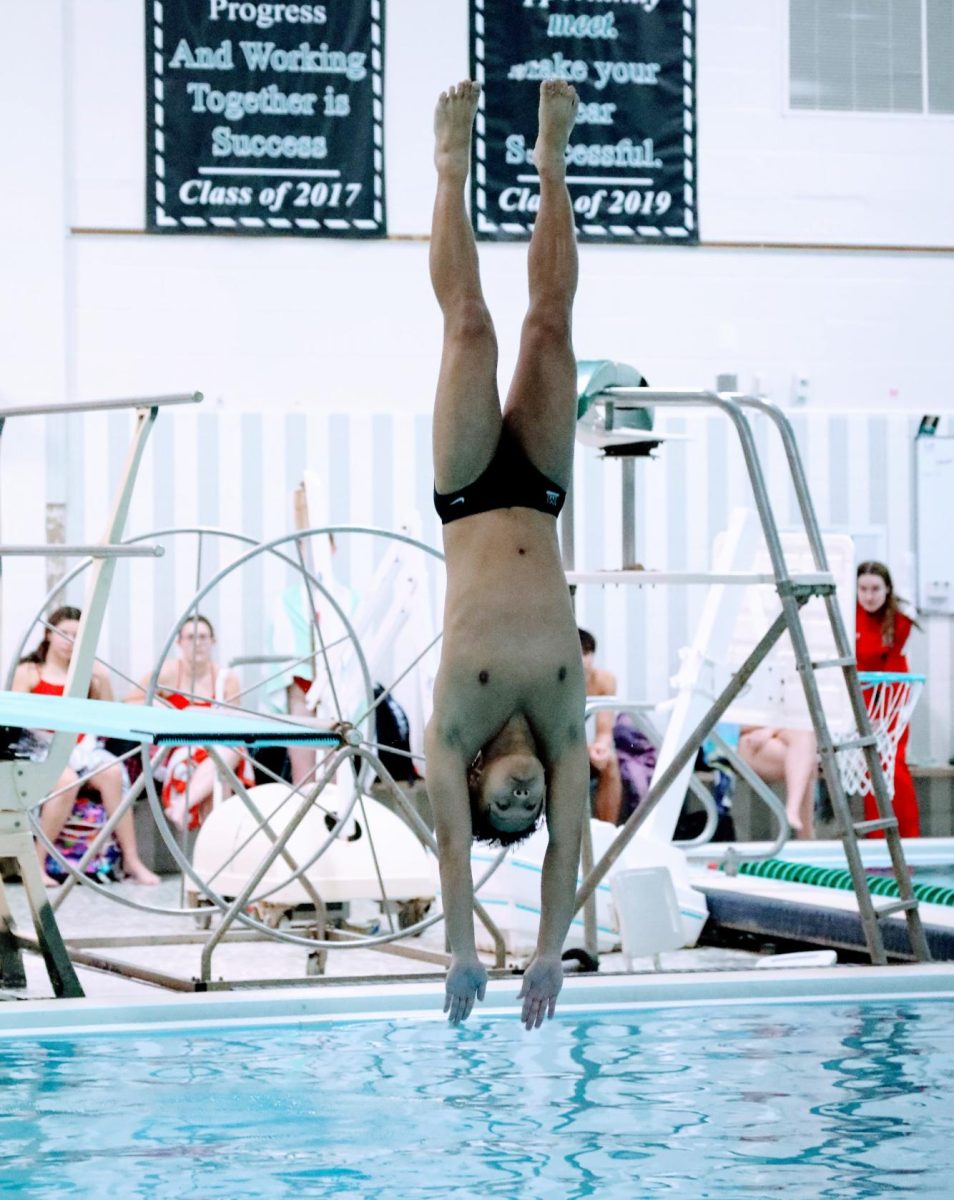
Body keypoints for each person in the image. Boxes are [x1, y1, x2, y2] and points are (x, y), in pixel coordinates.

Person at [423, 79, 589, 1031]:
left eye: (507, 808)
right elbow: (569, 852)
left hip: (470, 493)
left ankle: (450, 165)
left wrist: (461, 949)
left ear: (482, 779)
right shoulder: (565, 727)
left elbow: (451, 849)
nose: (529, 803)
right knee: (550, 323)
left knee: (471, 327)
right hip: (543, 491)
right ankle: (550, 164)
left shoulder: (455, 726)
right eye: (534, 807)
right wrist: (545, 955)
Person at [11, 606, 159, 886]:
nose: (68, 640)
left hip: (82, 748)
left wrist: (101, 679)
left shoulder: (89, 674)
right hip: (41, 748)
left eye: (76, 635)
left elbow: (108, 717)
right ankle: (37, 863)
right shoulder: (30, 671)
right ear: (48, 636)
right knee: (66, 780)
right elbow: (17, 719)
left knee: (113, 772)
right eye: (63, 633)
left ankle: (131, 859)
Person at [126, 614, 254, 830]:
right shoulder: (166, 673)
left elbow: (235, 722)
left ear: (213, 642)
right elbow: (131, 703)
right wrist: (165, 710)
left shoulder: (226, 679)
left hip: (216, 745)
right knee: (221, 774)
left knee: (228, 759)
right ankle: (212, 855)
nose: (197, 643)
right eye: (191, 637)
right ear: (179, 642)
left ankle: (182, 806)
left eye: (203, 637)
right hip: (178, 747)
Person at [855, 561, 921, 838]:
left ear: (887, 589)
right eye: (863, 589)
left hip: (891, 701)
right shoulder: (846, 617)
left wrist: (883, 714)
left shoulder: (899, 621)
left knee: (892, 766)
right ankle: (877, 840)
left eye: (875, 589)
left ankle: (908, 837)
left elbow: (894, 672)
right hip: (858, 701)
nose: (869, 596)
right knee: (870, 770)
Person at [737, 725, 818, 839]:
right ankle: (805, 833)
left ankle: (794, 813)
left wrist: (771, 730)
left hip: (778, 730)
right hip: (741, 738)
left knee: (805, 737)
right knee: (806, 756)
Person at [578, 628, 622, 824]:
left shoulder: (604, 681)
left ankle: (607, 832)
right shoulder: (551, 681)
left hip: (579, 748)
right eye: (577, 653)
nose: (583, 660)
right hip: (552, 749)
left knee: (609, 761)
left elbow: (604, 730)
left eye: (586, 653)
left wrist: (600, 747)